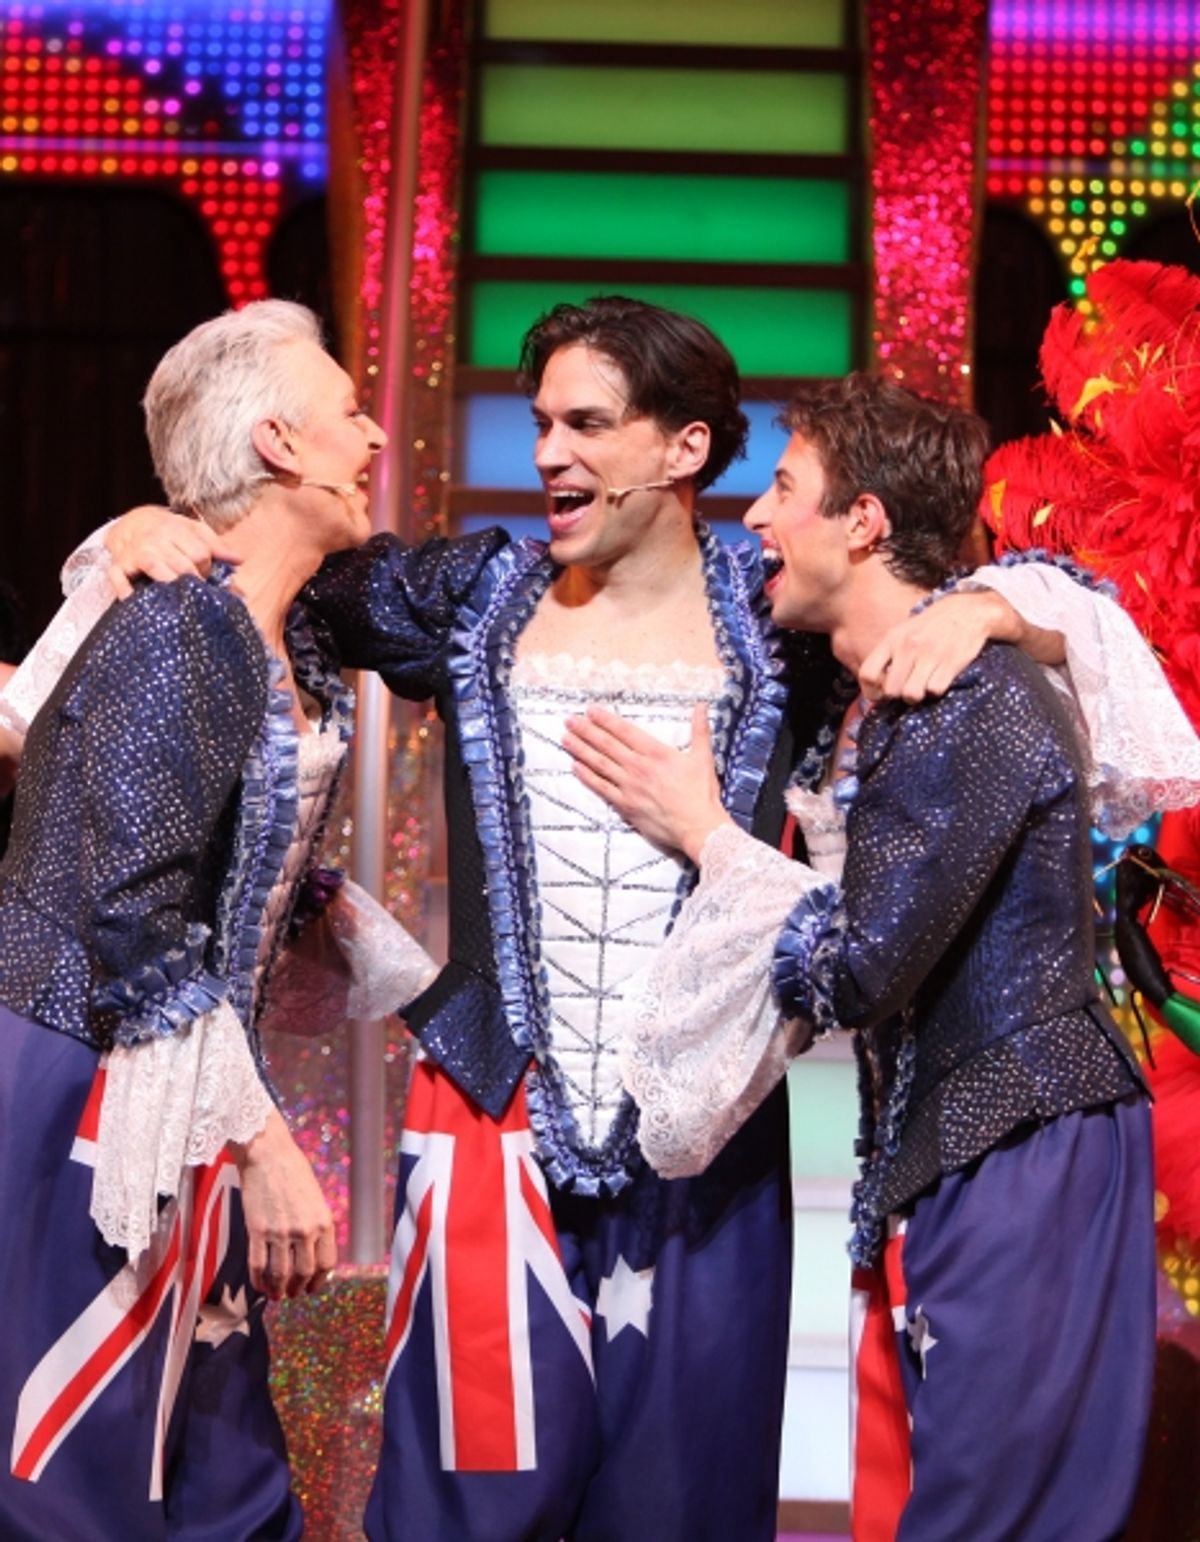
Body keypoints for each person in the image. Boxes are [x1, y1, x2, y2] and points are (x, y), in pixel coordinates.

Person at [86, 296, 1119, 1541]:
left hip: (705, 1149)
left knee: (681, 1502)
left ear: (684, 448)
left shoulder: (775, 617)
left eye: (585, 424)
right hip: (494, 1121)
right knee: (462, 1498)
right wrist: (136, 532)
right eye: (540, 424)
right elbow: (284, 566)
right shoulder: (478, 596)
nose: (548, 454)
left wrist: (991, 609)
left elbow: (1014, 610)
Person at [564, 372, 1168, 1541]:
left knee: (996, 1517)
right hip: (965, 1146)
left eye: (784, 487)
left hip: (1022, 1138)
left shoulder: (960, 697)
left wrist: (707, 838)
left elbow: (854, 969)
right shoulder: (887, 691)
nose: (755, 515)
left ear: (865, 521)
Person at [0, 299, 436, 1538]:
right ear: (277, 443)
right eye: (348, 410)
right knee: (80, 1474)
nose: (375, 435)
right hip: (89, 1075)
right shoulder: (178, 626)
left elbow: (222, 863)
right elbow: (133, 918)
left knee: (229, 1479)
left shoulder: (290, 628)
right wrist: (266, 1146)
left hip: (186, 1073)